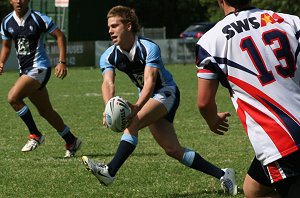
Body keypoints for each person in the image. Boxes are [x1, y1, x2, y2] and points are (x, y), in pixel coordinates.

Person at [81, 5, 237, 195]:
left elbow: (150, 81)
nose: (110, 31)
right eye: (109, 27)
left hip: (166, 92)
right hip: (148, 98)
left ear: (128, 26)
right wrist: (108, 107)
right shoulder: (108, 55)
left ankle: (109, 171)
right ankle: (223, 174)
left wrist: (137, 107)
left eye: (115, 26)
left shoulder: (148, 48)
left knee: (133, 123)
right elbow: (108, 83)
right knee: (172, 149)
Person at [196, 0, 300, 197]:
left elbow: (203, 102)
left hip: (280, 138)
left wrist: (212, 120)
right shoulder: (289, 21)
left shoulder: (211, 41)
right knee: (253, 190)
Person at [0, 0, 81, 158]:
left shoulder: (39, 18)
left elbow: (60, 36)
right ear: (11, 1)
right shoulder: (7, 22)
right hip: (25, 71)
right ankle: (71, 141)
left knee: (13, 98)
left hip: (39, 68)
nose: (19, 1)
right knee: (45, 111)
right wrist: (1, 62)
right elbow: (7, 46)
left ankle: (35, 135)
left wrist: (62, 61)